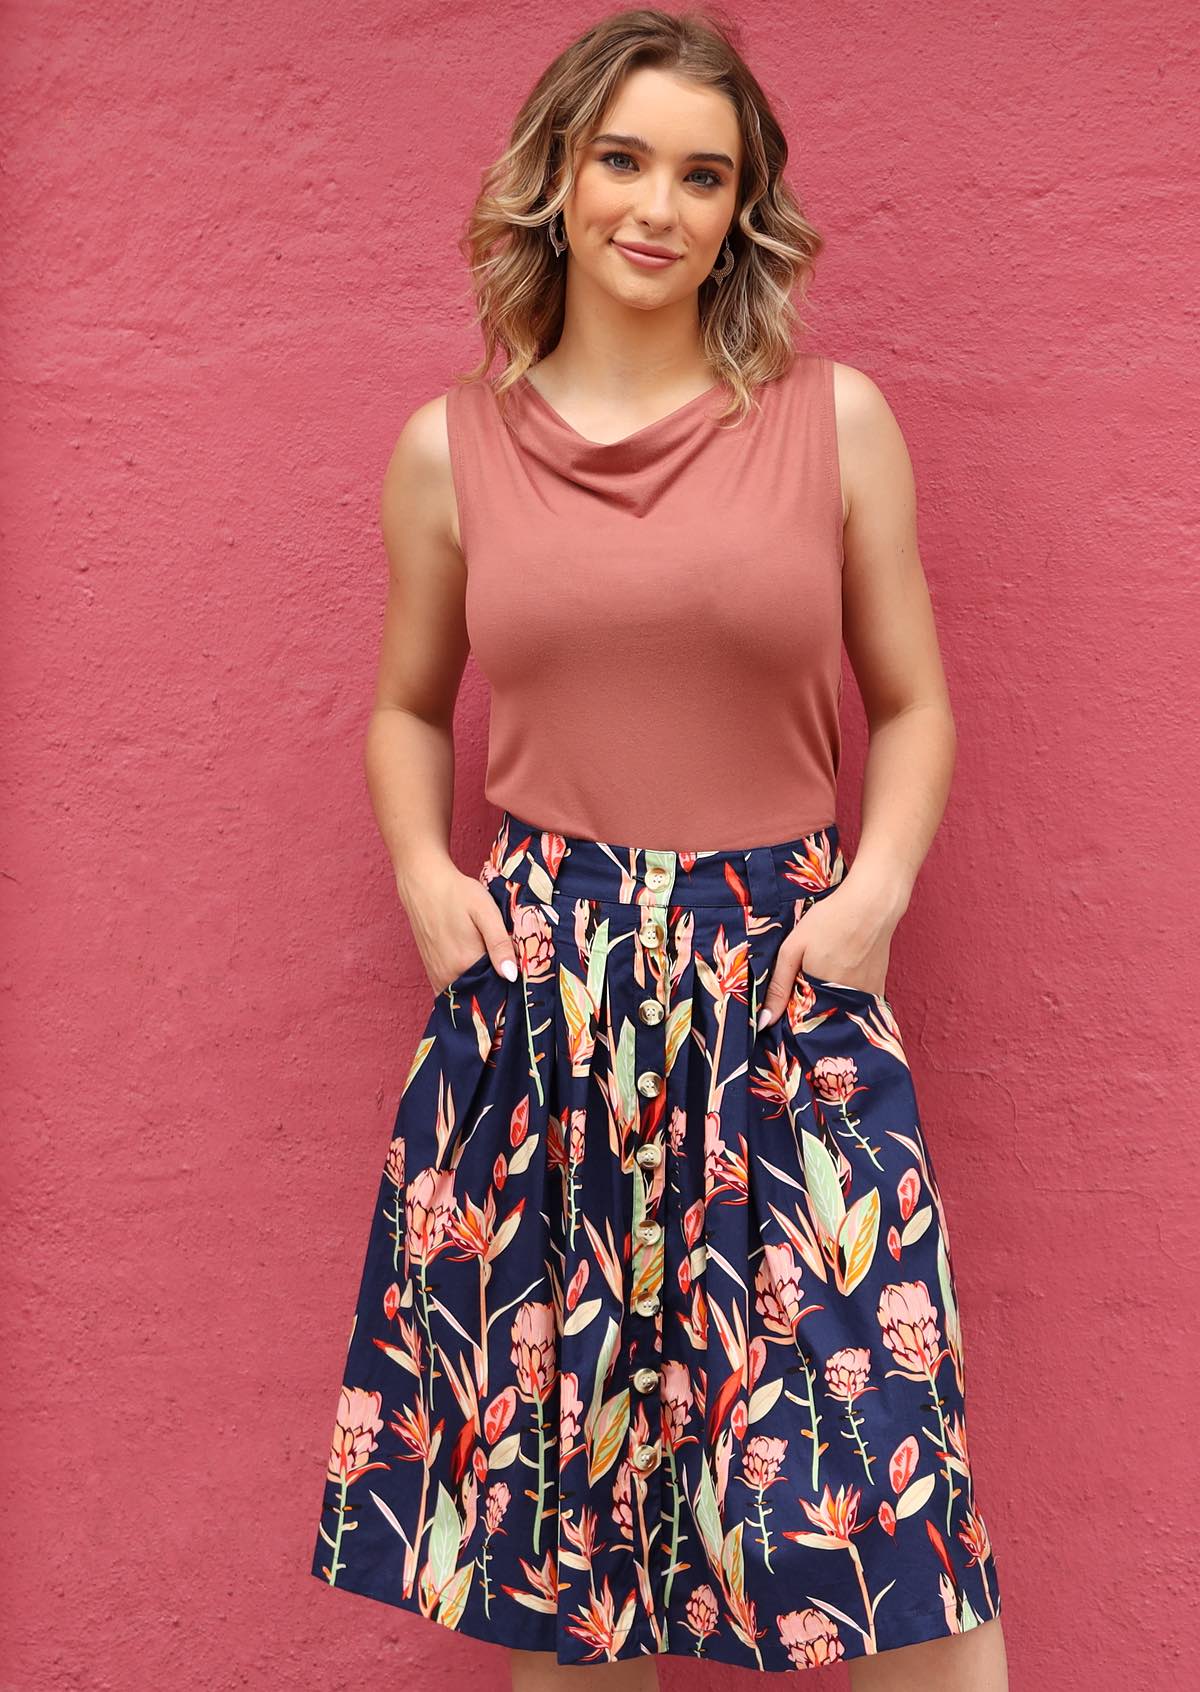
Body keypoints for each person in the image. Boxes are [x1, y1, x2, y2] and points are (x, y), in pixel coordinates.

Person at [310, 10, 1010, 1689]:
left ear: (741, 210)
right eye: (623, 160)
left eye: (704, 175)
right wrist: (427, 879)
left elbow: (913, 703)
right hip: (546, 997)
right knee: (575, 1533)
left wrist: (874, 898)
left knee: (888, 1509)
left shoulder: (835, 423)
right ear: (556, 178)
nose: (658, 206)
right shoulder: (449, 450)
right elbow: (406, 708)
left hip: (786, 974)